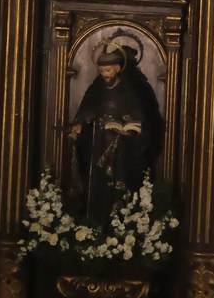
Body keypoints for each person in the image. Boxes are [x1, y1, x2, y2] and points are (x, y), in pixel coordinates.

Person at [66, 37, 164, 224]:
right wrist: (79, 125)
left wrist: (129, 132)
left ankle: (120, 225)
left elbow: (142, 122)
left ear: (118, 68)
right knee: (98, 189)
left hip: (123, 151)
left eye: (108, 70)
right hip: (98, 146)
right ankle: (94, 222)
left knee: (121, 190)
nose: (105, 74)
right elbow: (87, 111)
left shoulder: (131, 92)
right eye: (102, 70)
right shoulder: (96, 89)